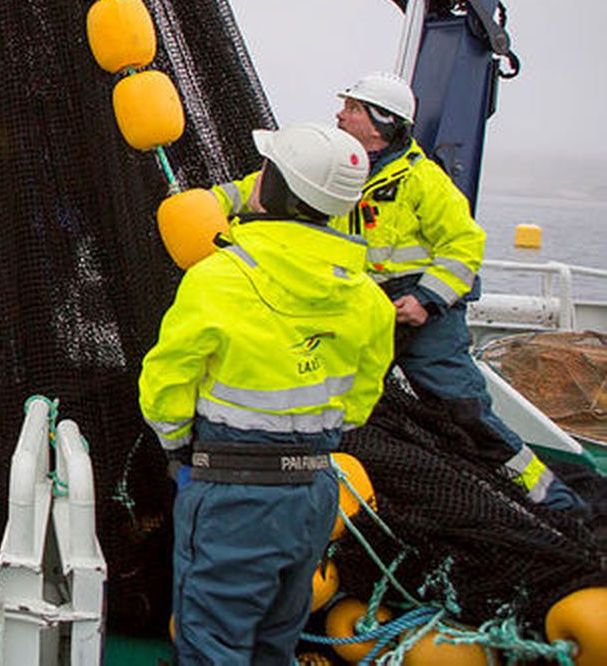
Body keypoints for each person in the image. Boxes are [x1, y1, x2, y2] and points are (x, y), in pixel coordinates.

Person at [213, 72, 583, 513]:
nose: (339, 113)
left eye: (352, 108)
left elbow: (464, 246)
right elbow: (261, 188)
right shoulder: (335, 163)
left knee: (462, 409)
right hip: (362, 310)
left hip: (424, 316)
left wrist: (427, 300)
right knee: (340, 403)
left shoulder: (421, 180)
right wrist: (205, 205)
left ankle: (550, 499)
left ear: (383, 122)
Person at [141, 122, 396, 664]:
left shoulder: (220, 279)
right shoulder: (367, 297)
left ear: (277, 188)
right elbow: (360, 398)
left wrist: (177, 446)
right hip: (313, 494)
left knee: (213, 641)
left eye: (266, 172)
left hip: (232, 493)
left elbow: (165, 381)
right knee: (276, 639)